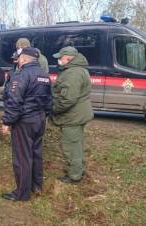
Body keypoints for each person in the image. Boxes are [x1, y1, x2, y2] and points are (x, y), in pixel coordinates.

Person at [1, 47, 52, 201]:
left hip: (24, 121)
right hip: (39, 119)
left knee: (22, 157)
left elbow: (14, 101)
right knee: (36, 153)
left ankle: (22, 193)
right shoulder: (44, 75)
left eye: (19, 57)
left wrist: (7, 122)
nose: (18, 60)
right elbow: (49, 100)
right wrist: (44, 115)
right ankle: (36, 186)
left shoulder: (21, 75)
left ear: (23, 58)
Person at [50, 46, 94, 184]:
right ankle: (78, 169)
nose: (58, 60)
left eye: (60, 58)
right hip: (79, 114)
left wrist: (53, 109)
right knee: (77, 144)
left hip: (72, 116)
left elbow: (68, 99)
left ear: (68, 58)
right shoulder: (80, 69)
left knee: (71, 146)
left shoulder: (73, 73)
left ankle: (74, 176)